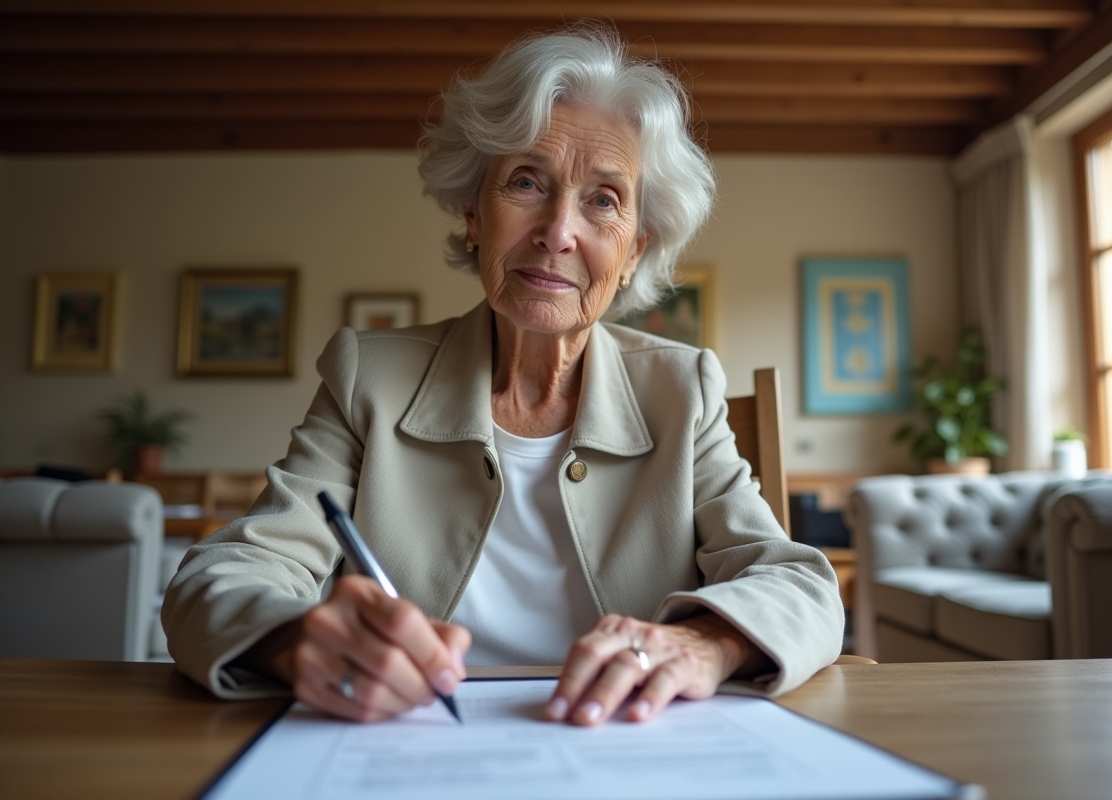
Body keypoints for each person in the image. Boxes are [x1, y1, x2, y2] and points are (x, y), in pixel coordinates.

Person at [163, 25, 843, 727]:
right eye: (526, 181)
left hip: (623, 742)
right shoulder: (370, 378)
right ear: (473, 215)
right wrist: (291, 640)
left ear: (635, 251)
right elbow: (221, 578)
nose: (558, 231)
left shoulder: (681, 389)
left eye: (603, 200)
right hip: (407, 743)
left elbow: (799, 585)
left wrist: (705, 644)